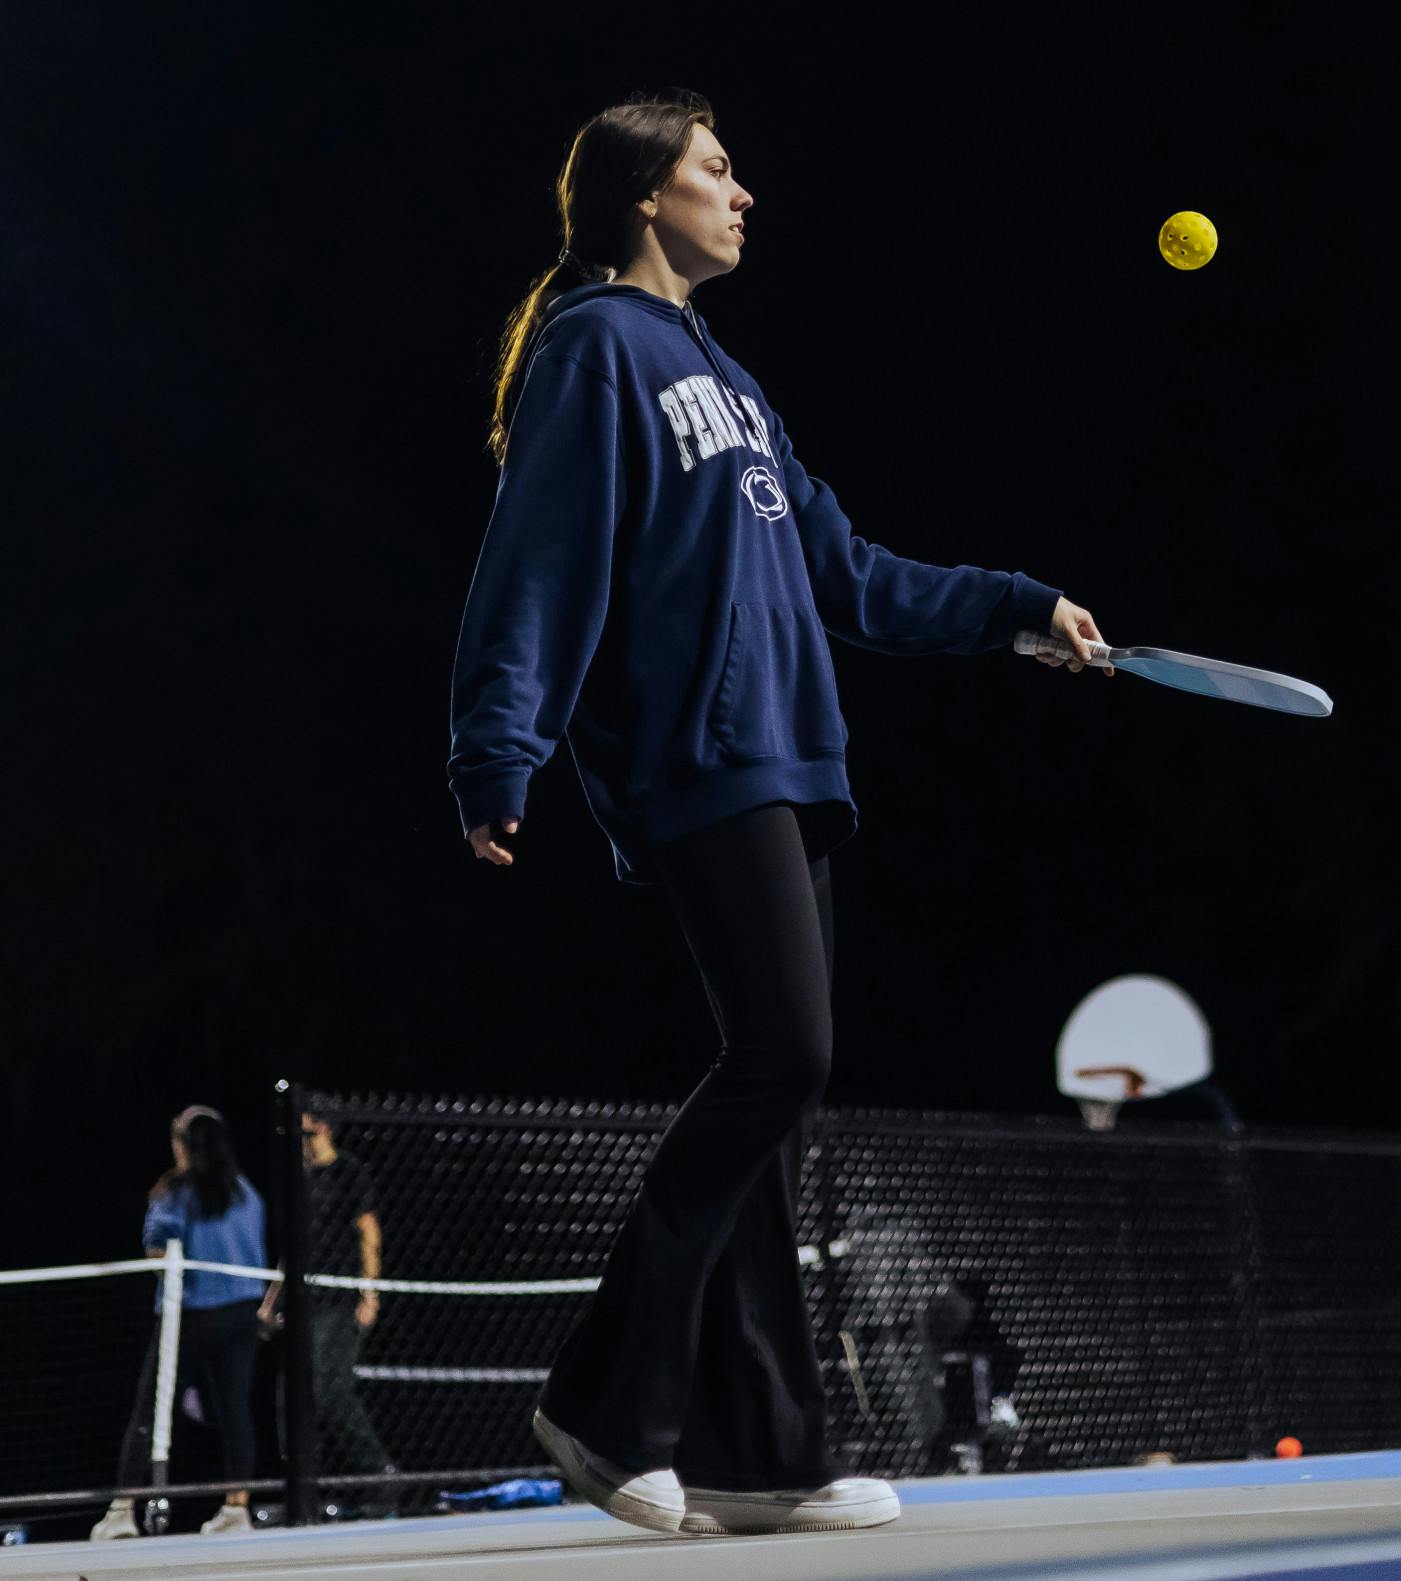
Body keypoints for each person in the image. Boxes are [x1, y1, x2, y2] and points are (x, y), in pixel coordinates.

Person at [447, 91, 1110, 1538]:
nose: (743, 194)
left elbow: (852, 576)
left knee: (775, 1099)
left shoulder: (732, 382)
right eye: (716, 169)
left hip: (796, 761)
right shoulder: (593, 349)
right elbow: (539, 559)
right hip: (698, 757)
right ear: (643, 198)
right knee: (785, 1057)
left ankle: (763, 1455)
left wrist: (1015, 614)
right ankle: (605, 1402)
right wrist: (499, 744)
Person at [91, 1106, 266, 1541]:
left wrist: (173, 1285)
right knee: (235, 1410)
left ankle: (122, 1510)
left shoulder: (176, 1192)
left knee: (151, 1407)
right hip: (242, 1315)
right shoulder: (247, 1193)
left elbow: (157, 1252)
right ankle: (237, 1507)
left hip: (190, 1315)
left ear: (184, 1145)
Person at [257, 1111, 396, 1501]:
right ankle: (301, 1484)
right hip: (304, 1299)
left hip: (340, 1297)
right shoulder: (297, 1178)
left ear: (323, 1127)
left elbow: (369, 1233)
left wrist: (370, 1292)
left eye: (304, 1129)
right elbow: (291, 1250)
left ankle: (378, 1472)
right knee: (291, 1393)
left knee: (328, 1389)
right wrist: (271, 1301)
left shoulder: (349, 1172)